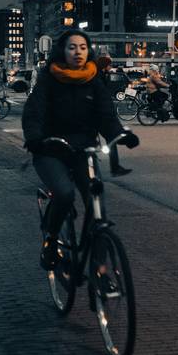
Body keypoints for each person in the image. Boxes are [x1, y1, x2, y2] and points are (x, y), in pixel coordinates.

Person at [22, 30, 138, 270]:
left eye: (83, 47)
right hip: (51, 150)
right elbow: (34, 113)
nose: (78, 52)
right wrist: (35, 138)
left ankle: (100, 271)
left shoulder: (94, 80)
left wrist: (120, 136)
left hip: (83, 151)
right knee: (64, 194)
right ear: (62, 51)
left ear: (89, 51)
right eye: (72, 47)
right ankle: (51, 241)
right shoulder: (48, 79)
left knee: (97, 207)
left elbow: (106, 116)